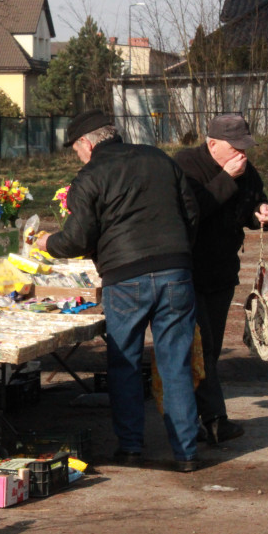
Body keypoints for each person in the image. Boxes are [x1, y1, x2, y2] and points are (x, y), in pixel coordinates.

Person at [36, 109, 201, 471]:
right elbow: (191, 213)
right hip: (176, 270)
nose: (77, 156)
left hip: (125, 278)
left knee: (124, 363)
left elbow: (78, 239)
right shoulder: (159, 158)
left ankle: (130, 448)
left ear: (86, 142)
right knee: (175, 364)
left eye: (76, 149)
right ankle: (187, 452)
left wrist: (48, 242)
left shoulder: (90, 176)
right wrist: (177, 253)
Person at [174, 114, 268, 445]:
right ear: (212, 143)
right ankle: (212, 420)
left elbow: (253, 201)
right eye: (235, 148)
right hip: (186, 272)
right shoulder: (186, 164)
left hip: (222, 272)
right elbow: (193, 210)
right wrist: (226, 177)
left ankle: (204, 420)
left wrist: (262, 212)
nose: (241, 155)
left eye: (245, 147)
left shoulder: (245, 168)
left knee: (211, 349)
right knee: (195, 349)